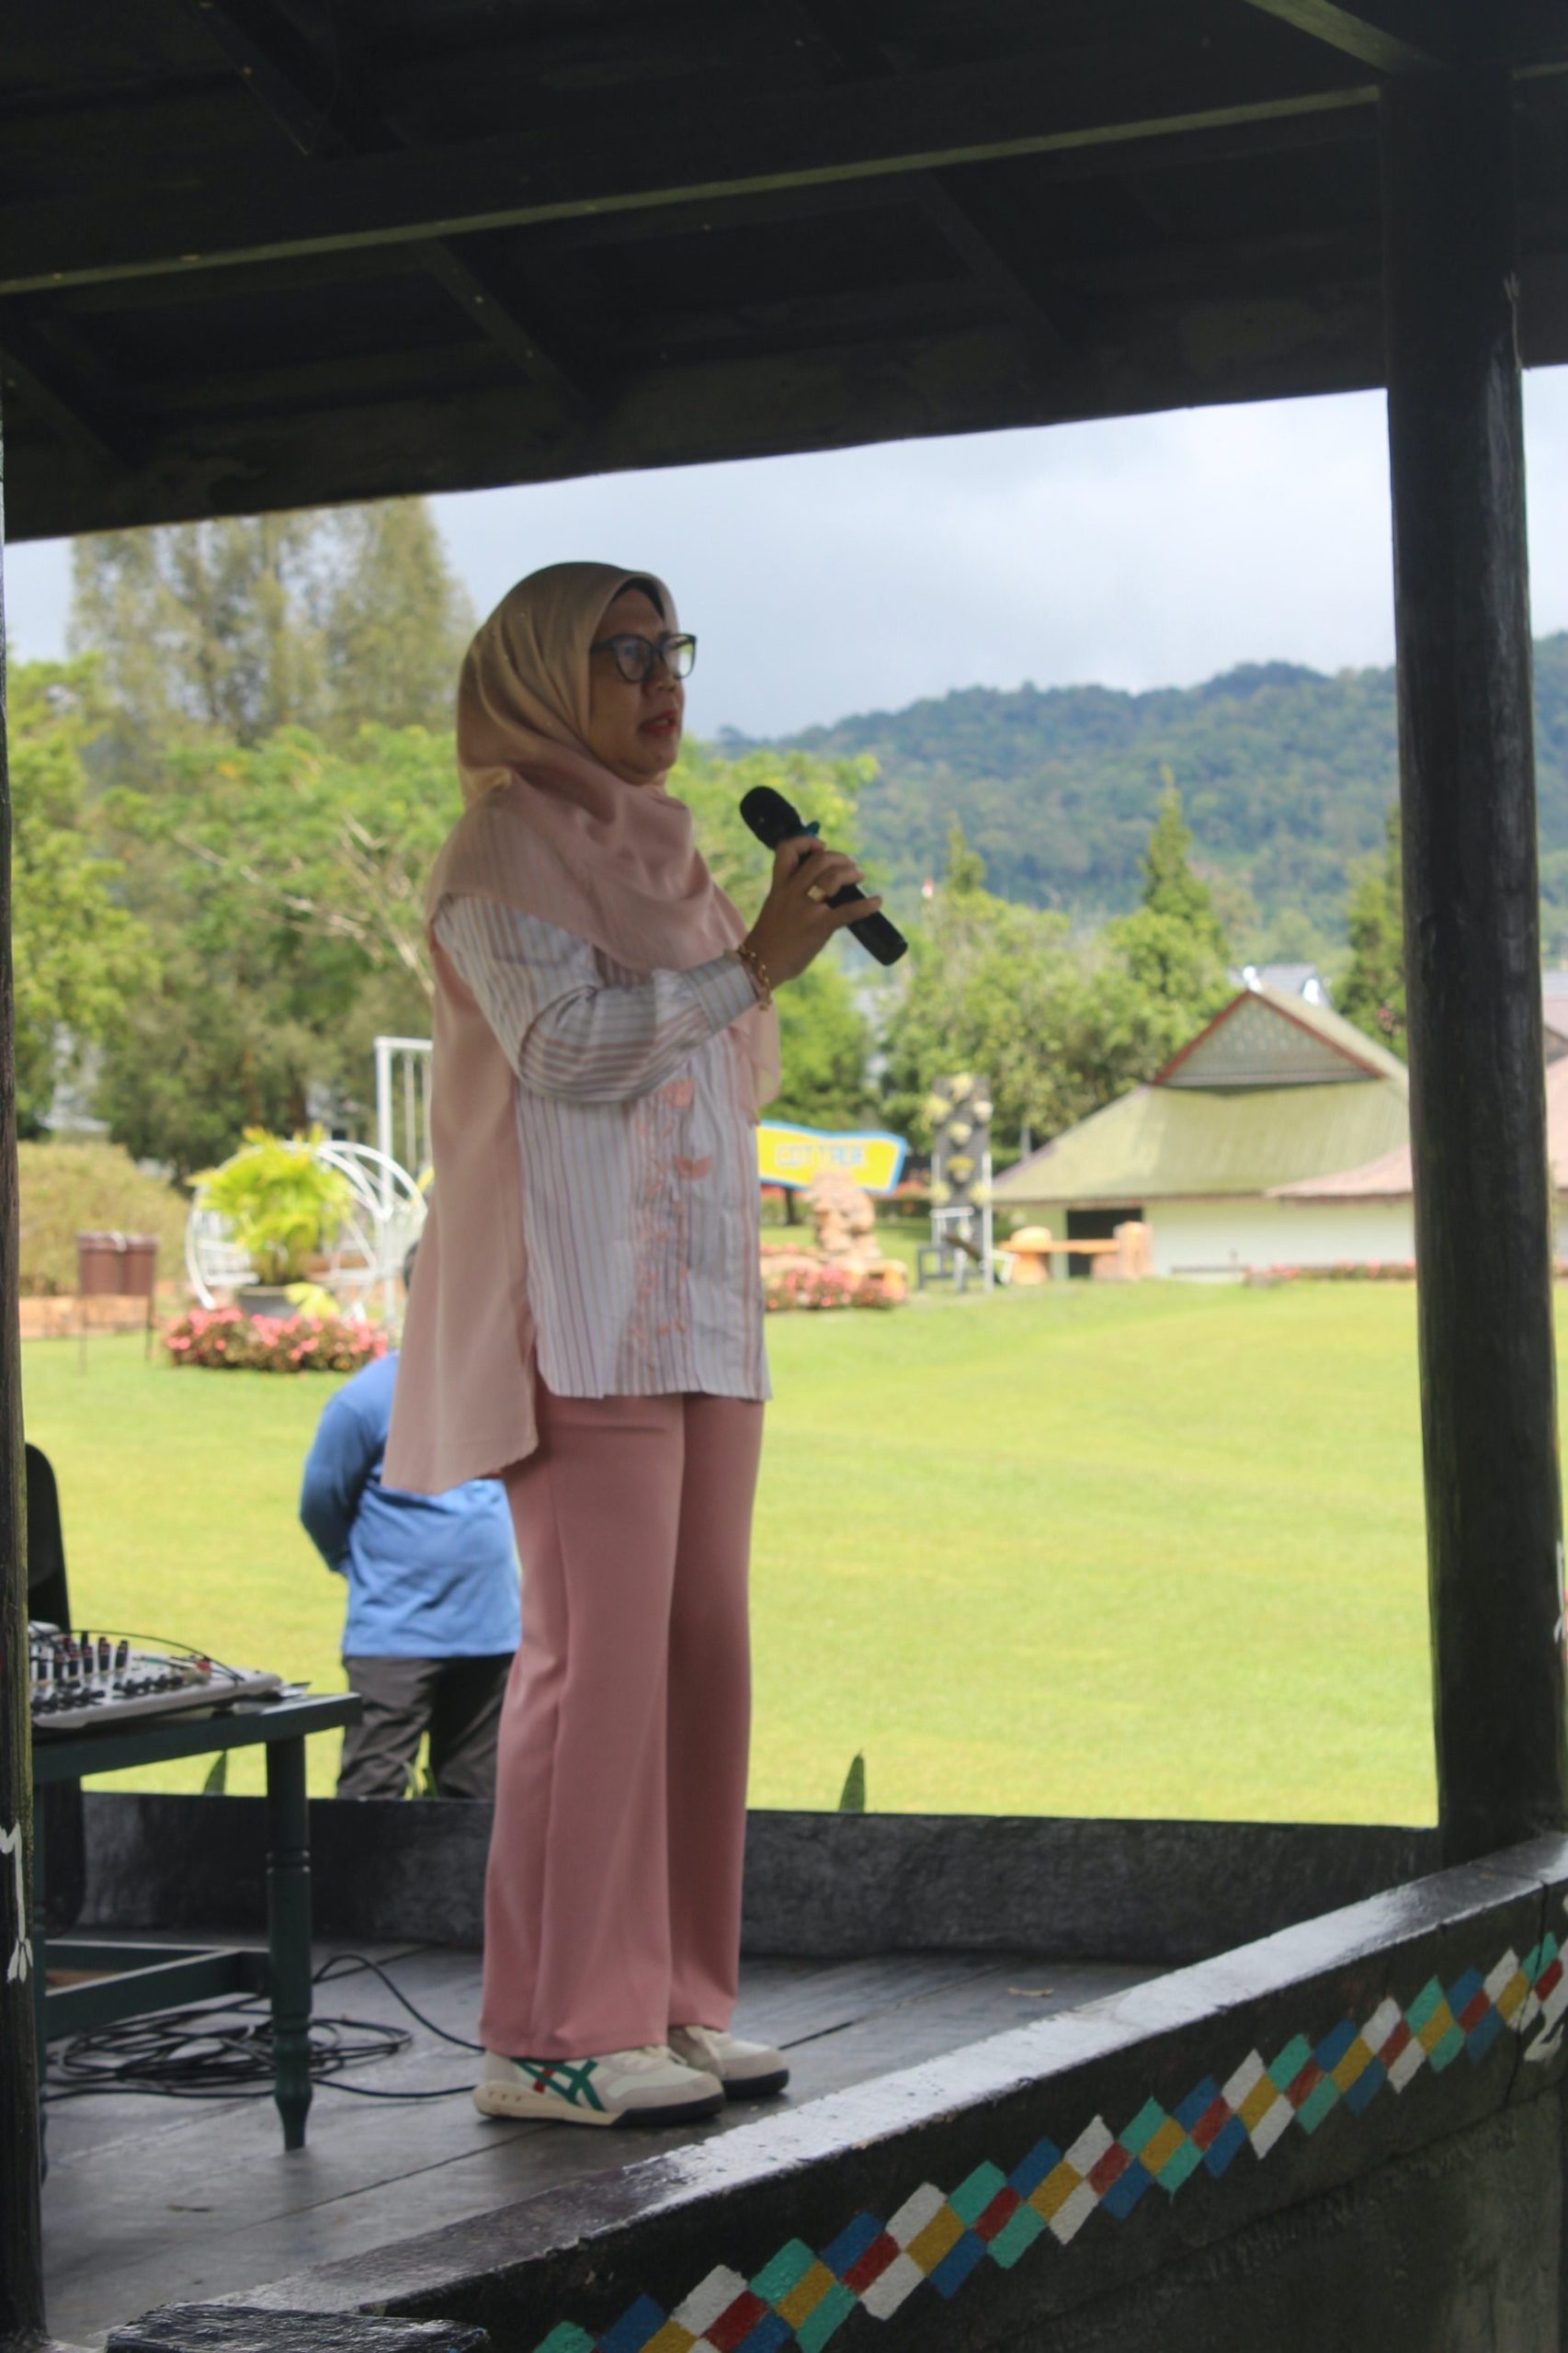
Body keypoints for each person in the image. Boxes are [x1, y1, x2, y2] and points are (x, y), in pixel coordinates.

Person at [382, 563, 879, 2127]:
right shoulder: (501, 850)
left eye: (672, 651)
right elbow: (561, 1049)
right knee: (591, 1662)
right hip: (577, 1304)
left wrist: (759, 954)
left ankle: (667, 2000)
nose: (662, 680)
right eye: (623, 654)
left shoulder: (677, 857)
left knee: (696, 1655)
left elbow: (733, 1070)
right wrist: (751, 965)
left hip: (700, 1306)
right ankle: (548, 2031)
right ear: (542, 675)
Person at [300, 1245, 520, 1799]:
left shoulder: (500, 1390)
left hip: (491, 1631)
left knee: (477, 1802)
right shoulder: (364, 1401)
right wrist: (356, 1565)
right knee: (372, 1794)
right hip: (395, 1637)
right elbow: (320, 1502)